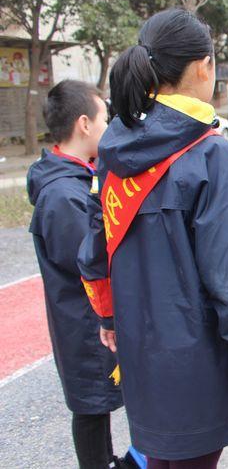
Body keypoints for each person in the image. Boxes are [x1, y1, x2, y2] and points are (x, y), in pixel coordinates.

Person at [77, 8, 228, 468]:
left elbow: (95, 252)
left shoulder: (115, 149)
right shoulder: (211, 155)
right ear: (204, 66)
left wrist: (109, 318)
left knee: (159, 458)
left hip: (140, 350)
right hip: (197, 361)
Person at [28, 80, 134, 469]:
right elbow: (88, 262)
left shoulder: (75, 177)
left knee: (95, 406)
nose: (109, 125)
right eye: (105, 117)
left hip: (88, 320)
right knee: (91, 407)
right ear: (85, 124)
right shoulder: (63, 194)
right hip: (84, 322)